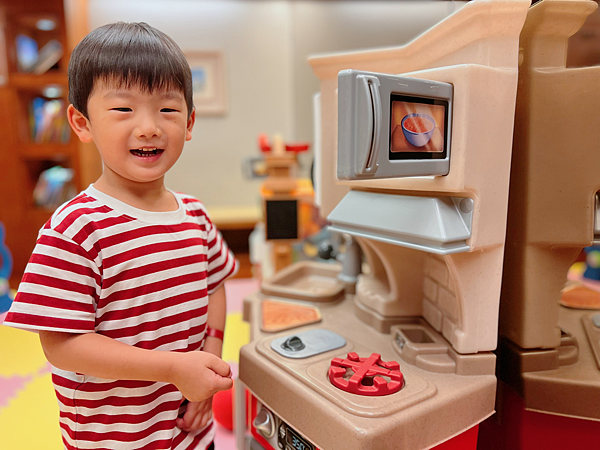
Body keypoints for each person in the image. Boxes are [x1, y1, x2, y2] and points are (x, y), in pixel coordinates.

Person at [4, 22, 238, 450]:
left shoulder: (196, 215)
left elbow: (216, 284)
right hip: (113, 436)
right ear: (81, 122)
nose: (149, 127)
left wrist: (211, 353)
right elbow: (63, 344)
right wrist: (173, 369)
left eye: (167, 109)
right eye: (123, 110)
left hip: (189, 425)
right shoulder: (75, 228)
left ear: (188, 122)